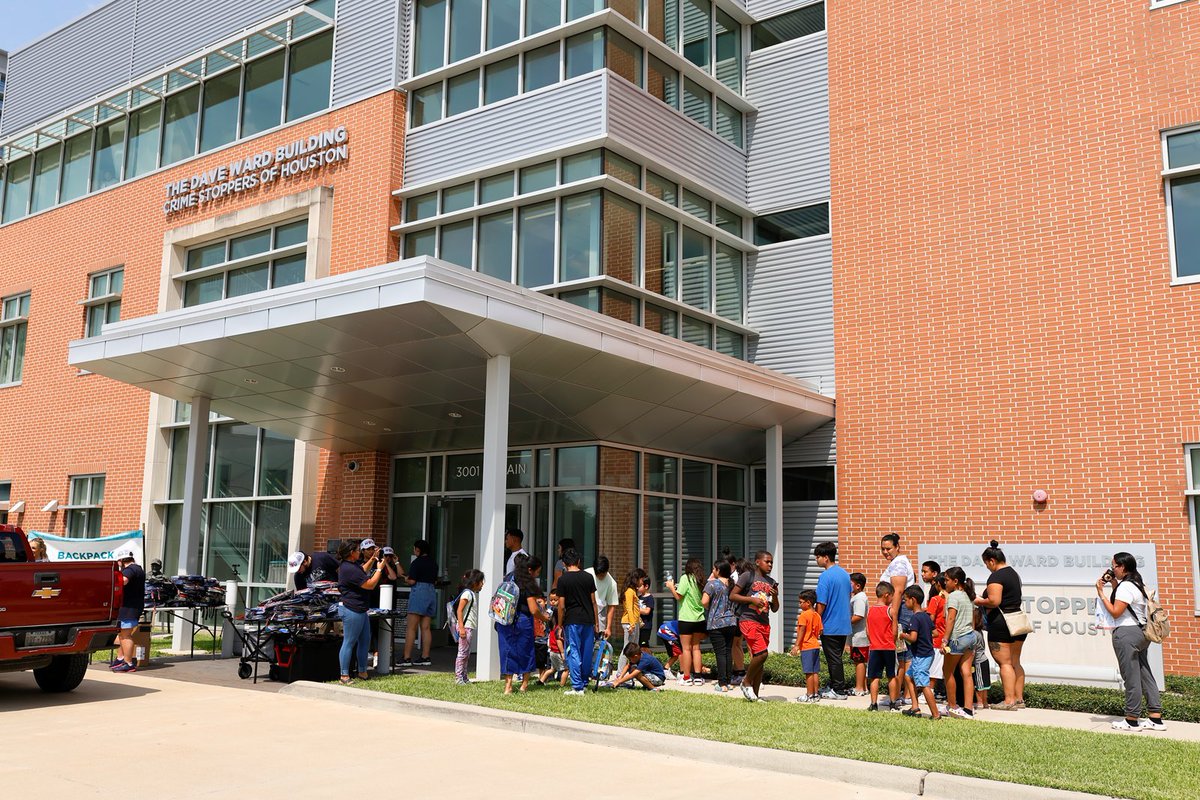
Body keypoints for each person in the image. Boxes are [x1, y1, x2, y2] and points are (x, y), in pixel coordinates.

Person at [1096, 552, 1166, 732]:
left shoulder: (1126, 587)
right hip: (1141, 633)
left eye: (1114, 566)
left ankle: (1132, 719)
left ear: (1123, 567)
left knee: (1130, 676)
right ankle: (1155, 718)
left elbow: (1115, 612)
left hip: (1126, 634)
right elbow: (1127, 606)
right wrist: (1113, 584)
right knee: (1144, 673)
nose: (1112, 569)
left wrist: (1100, 593)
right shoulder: (1137, 584)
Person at [973, 540, 1026, 710]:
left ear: (991, 561)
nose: (987, 567)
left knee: (1004, 663)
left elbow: (994, 601)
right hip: (1017, 622)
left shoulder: (996, 576)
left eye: (986, 564)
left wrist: (978, 600)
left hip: (1001, 624)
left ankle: (1009, 700)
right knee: (1015, 662)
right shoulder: (1013, 574)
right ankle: (1019, 699)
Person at [729, 550, 779, 702]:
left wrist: (775, 596)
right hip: (748, 619)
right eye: (767, 561)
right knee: (762, 654)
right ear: (758, 562)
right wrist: (751, 599)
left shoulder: (771, 582)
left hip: (764, 622)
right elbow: (733, 595)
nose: (770, 564)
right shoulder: (748, 576)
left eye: (771, 562)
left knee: (759, 658)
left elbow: (775, 608)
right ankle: (746, 682)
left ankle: (755, 696)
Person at [337, 539, 386, 684]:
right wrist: (379, 569)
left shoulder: (353, 566)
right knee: (349, 642)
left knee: (364, 641)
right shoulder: (348, 568)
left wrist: (372, 558)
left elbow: (362, 570)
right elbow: (370, 584)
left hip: (361, 609)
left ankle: (363, 671)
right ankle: (344, 676)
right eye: (358, 550)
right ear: (351, 553)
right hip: (352, 609)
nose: (360, 552)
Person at [498, 554, 546, 694]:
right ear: (530, 570)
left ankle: (508, 686)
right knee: (526, 651)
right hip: (523, 620)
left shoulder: (508, 577)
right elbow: (533, 609)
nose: (537, 575)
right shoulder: (528, 583)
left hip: (505, 620)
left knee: (507, 651)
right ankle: (524, 685)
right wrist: (544, 618)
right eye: (537, 571)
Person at [556, 548, 598, 695]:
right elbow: (593, 602)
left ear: (564, 563)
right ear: (578, 561)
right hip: (588, 619)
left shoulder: (563, 579)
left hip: (572, 620)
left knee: (573, 651)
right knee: (586, 652)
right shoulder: (588, 577)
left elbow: (561, 605)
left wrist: (560, 624)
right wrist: (596, 623)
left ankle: (577, 686)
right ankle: (585, 683)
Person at [879, 533, 915, 703]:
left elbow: (898, 591)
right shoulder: (897, 562)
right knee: (903, 655)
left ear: (897, 547)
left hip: (901, 613)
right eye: (883, 549)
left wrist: (893, 615)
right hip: (901, 611)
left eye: (889, 548)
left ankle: (902, 695)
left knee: (903, 656)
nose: (886, 552)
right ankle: (903, 695)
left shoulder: (899, 563)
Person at [814, 541, 852, 699]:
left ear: (825, 558)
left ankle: (839, 690)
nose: (816, 560)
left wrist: (816, 621)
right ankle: (834, 684)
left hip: (830, 624)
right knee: (836, 657)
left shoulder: (825, 576)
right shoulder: (844, 574)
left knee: (833, 658)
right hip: (843, 623)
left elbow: (821, 603)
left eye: (817, 557)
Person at [900, 586, 940, 719]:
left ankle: (935, 714)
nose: (905, 603)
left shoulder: (915, 618)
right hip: (926, 653)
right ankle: (915, 707)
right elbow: (935, 633)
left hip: (921, 656)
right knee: (908, 676)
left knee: (923, 684)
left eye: (905, 600)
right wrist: (925, 635)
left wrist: (903, 635)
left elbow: (913, 638)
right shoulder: (926, 616)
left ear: (913, 600)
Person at [666, 557, 707, 685]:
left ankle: (687, 677)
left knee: (686, 649)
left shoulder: (686, 578)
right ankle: (698, 677)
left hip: (686, 619)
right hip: (700, 618)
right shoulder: (701, 580)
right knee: (696, 648)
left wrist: (671, 587)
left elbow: (679, 596)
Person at [941, 566, 976, 719]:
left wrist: (944, 640)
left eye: (947, 580)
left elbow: (951, 619)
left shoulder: (953, 596)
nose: (945, 582)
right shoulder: (968, 595)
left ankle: (953, 706)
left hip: (956, 639)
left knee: (947, 671)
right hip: (970, 636)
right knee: (966, 673)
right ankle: (968, 709)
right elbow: (973, 619)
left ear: (955, 581)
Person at [400, 539, 438, 668]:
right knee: (426, 628)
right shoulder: (433, 563)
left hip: (419, 592)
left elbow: (412, 581)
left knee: (411, 627)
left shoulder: (416, 563)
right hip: (431, 592)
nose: (414, 551)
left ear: (418, 550)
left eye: (415, 549)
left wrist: (406, 578)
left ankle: (406, 657)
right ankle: (425, 656)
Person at [363, 540, 400, 670]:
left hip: (381, 601)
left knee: (381, 630)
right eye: (368, 549)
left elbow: (393, 577)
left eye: (373, 548)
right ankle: (365, 657)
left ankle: (378, 657)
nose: (371, 551)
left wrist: (384, 562)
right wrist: (373, 560)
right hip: (367, 601)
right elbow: (362, 574)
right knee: (367, 630)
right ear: (363, 551)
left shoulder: (381, 563)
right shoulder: (364, 564)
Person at [703, 560, 738, 692]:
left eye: (713, 569)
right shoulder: (732, 584)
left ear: (718, 570)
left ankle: (722, 683)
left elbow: (704, 602)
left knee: (720, 653)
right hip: (731, 622)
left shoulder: (712, 585)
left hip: (716, 622)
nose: (712, 571)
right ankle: (728, 681)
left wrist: (710, 607)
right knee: (728, 651)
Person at [110, 547, 145, 673]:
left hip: (128, 607)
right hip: (133, 606)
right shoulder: (138, 568)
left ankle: (129, 663)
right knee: (122, 634)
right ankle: (120, 659)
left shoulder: (130, 570)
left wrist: (113, 581)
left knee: (125, 635)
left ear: (121, 560)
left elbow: (123, 581)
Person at [866, 582, 899, 711]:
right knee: (891, 676)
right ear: (886, 595)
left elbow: (868, 631)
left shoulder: (870, 611)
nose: (892, 599)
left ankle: (873, 704)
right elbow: (895, 630)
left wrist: (874, 641)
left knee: (874, 677)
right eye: (891, 596)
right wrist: (893, 641)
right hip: (889, 647)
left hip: (874, 648)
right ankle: (892, 703)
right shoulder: (890, 610)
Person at [789, 589, 823, 702]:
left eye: (801, 602)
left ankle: (809, 695)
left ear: (808, 602)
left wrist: (796, 646)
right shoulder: (817, 615)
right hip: (815, 645)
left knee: (808, 672)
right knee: (815, 672)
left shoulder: (804, 615)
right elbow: (820, 631)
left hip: (807, 647)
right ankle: (815, 694)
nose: (800, 604)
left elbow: (802, 631)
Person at [452, 569, 484, 685]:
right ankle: (459, 677)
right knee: (462, 653)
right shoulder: (467, 594)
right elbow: (459, 610)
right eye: (481, 581)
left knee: (466, 653)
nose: (482, 584)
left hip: (467, 627)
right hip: (465, 627)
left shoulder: (471, 594)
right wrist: (461, 628)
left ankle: (464, 677)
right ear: (475, 582)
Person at [922, 561, 946, 700]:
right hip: (947, 637)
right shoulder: (951, 599)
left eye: (925, 571)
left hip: (938, 638)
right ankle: (941, 692)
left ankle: (929, 693)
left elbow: (931, 617)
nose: (923, 574)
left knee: (934, 668)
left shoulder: (936, 599)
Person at [617, 568, 647, 675]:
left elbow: (635, 609)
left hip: (633, 622)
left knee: (633, 649)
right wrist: (632, 624)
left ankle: (628, 671)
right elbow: (629, 608)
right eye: (641, 579)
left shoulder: (633, 591)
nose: (642, 582)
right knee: (627, 649)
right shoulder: (629, 591)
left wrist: (638, 620)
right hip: (630, 623)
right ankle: (620, 673)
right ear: (636, 579)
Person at [585, 556, 620, 642]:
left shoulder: (611, 583)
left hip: (599, 615)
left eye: (602, 575)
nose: (600, 577)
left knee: (597, 645)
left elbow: (612, 606)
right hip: (584, 612)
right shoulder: (586, 574)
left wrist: (608, 627)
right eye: (598, 574)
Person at [849, 572, 870, 695]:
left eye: (850, 583)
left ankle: (859, 688)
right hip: (856, 636)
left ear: (858, 586)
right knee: (859, 661)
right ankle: (864, 687)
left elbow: (859, 615)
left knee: (859, 661)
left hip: (859, 636)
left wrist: (845, 622)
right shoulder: (856, 597)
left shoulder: (860, 598)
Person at [636, 576, 655, 651]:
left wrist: (636, 610)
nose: (637, 588)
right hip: (638, 625)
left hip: (646, 626)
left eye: (639, 586)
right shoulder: (639, 597)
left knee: (644, 646)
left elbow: (647, 611)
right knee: (638, 645)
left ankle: (647, 659)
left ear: (646, 586)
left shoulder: (650, 598)